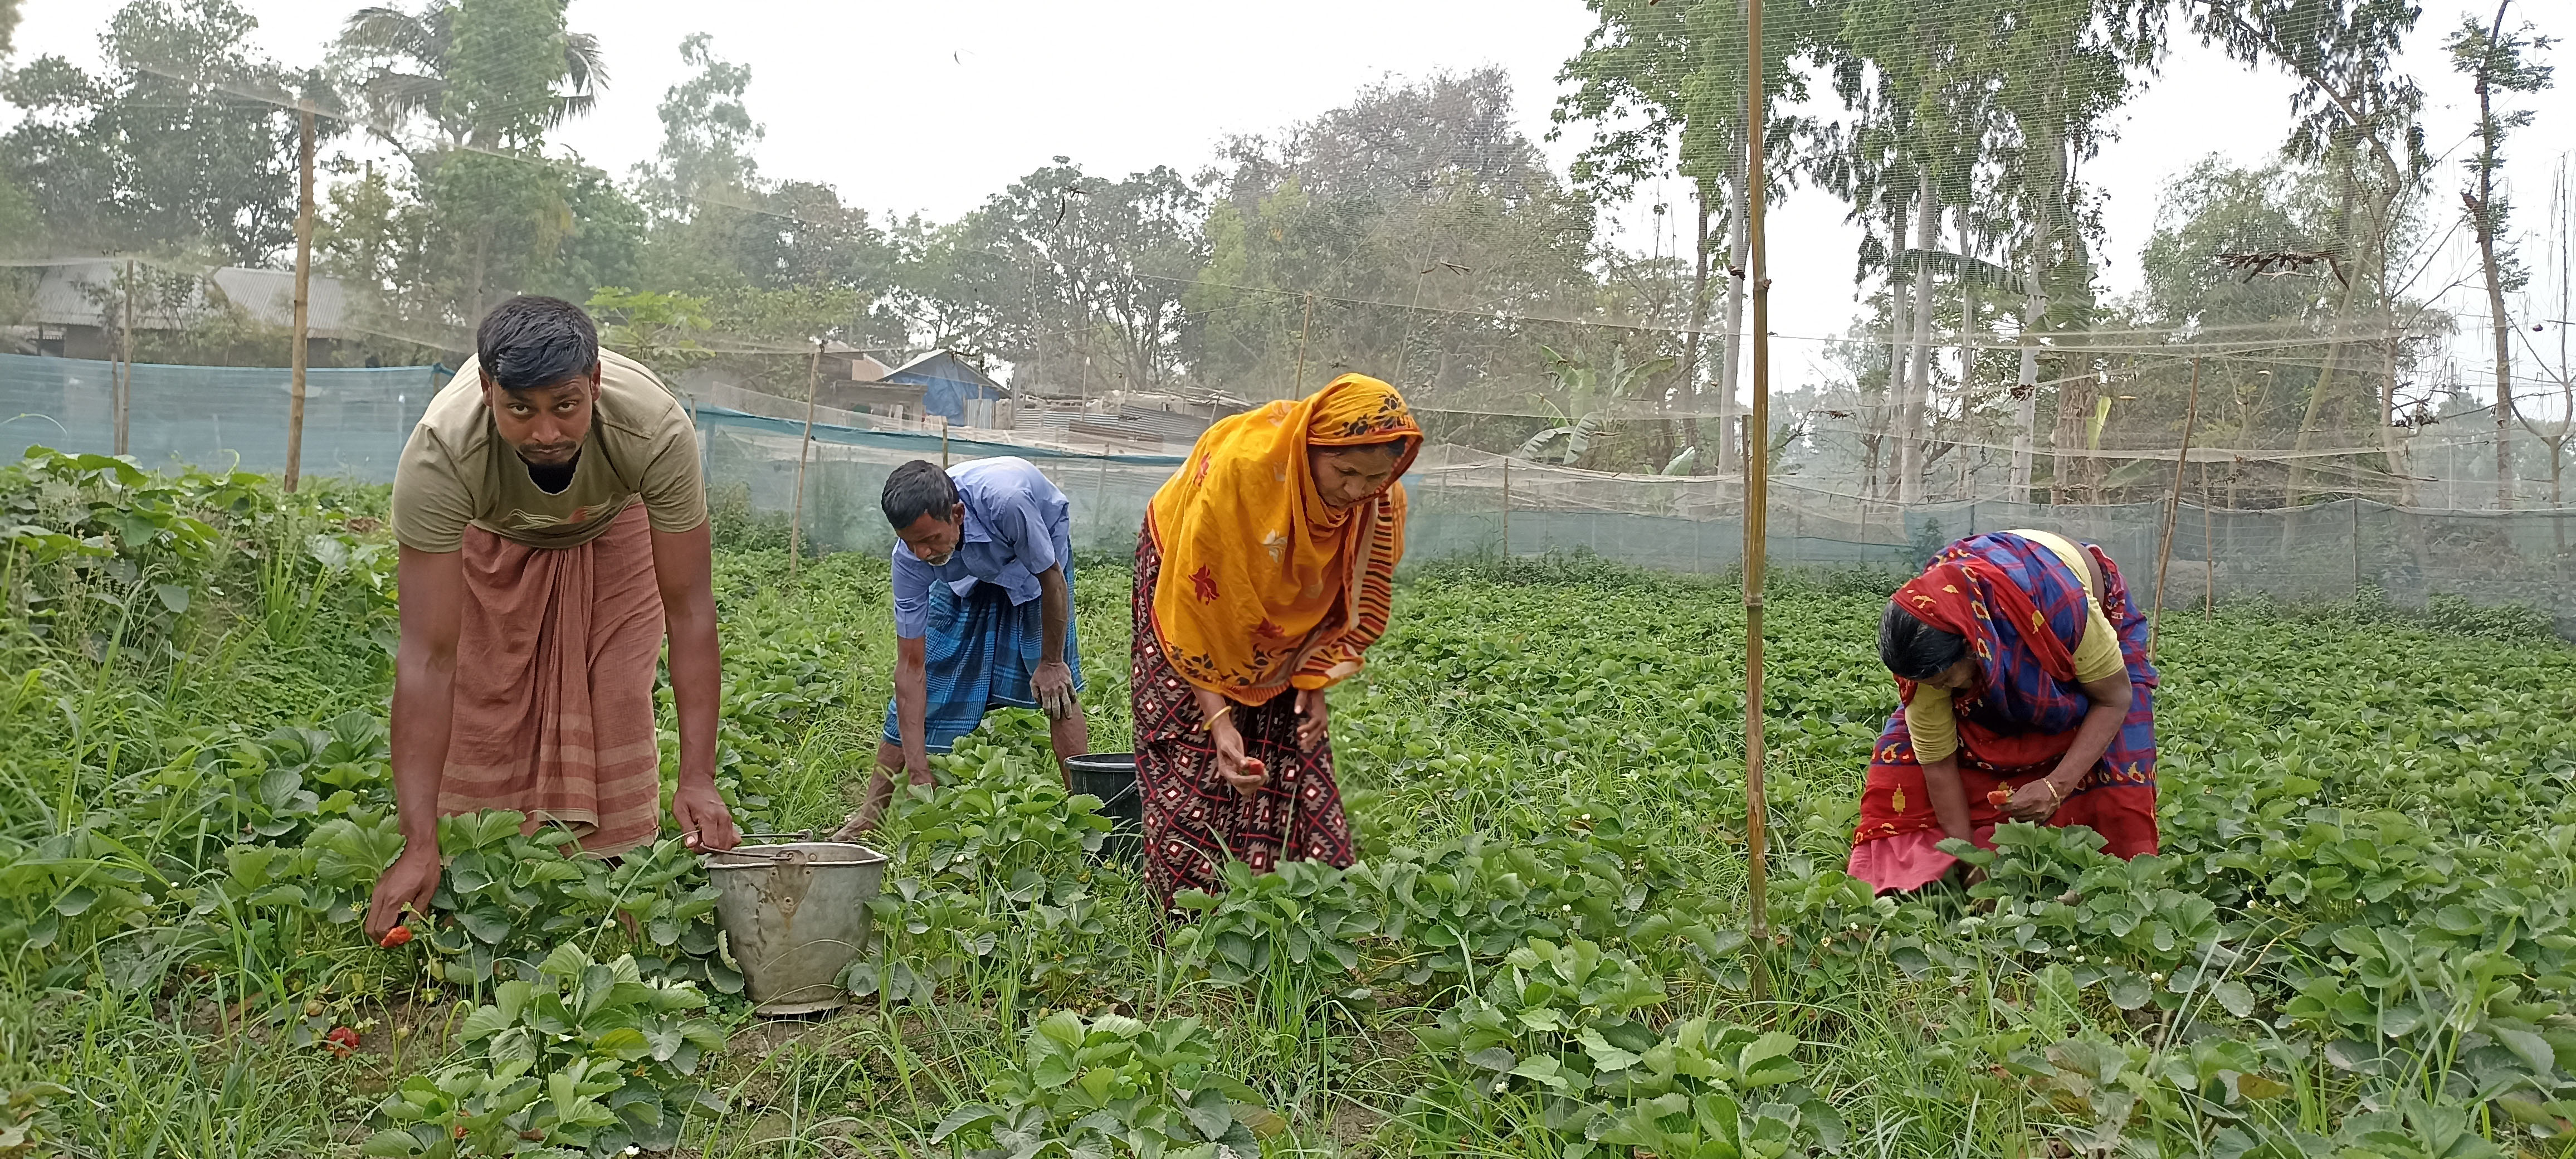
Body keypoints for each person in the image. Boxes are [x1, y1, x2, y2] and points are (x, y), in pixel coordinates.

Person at [365, 296, 740, 939]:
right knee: (489, 698)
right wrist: (415, 838)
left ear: (594, 383)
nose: (546, 433)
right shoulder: (442, 453)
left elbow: (690, 610)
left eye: (566, 406)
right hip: (495, 532)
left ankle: (614, 877)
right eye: (520, 409)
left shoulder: (654, 431)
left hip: (616, 525)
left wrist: (698, 777)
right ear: (487, 391)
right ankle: (461, 859)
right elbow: (428, 656)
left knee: (617, 692)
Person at [1129, 373, 1421, 915]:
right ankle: (1191, 914)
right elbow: (1199, 615)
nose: (1357, 490)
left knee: (1289, 733)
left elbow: (1339, 601)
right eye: (1345, 471)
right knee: (1192, 741)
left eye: (1376, 477)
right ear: (1306, 449)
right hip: (1189, 578)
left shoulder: (1378, 505)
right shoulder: (1239, 477)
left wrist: (1312, 679)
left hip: (1284, 628)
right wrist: (1218, 721)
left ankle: (1281, 902)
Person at [1848, 529, 2159, 893]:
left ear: (1970, 646)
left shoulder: (2064, 609)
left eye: (1946, 680)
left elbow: (2114, 699)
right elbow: (1938, 763)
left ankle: (2108, 884)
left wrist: (2055, 786)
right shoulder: (1927, 643)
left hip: (2065, 596)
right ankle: (1956, 865)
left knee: (2121, 759)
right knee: (1902, 757)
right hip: (1992, 617)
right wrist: (1971, 867)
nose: (1939, 691)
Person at [832, 457, 1087, 836]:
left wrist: (1052, 662)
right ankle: (870, 817)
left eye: (930, 539)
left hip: (1036, 573)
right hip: (966, 574)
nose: (922, 552)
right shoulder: (912, 559)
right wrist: (919, 771)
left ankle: (1086, 813)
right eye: (911, 542)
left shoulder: (1009, 503)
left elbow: (1051, 579)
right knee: (934, 665)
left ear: (957, 513)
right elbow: (912, 667)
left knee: (1057, 691)